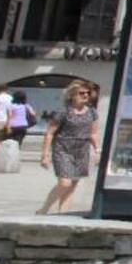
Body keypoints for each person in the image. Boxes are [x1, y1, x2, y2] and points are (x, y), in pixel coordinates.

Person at [38, 81, 101, 214]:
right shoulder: (63, 112)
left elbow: (93, 133)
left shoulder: (92, 112)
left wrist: (97, 150)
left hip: (82, 150)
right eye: (81, 93)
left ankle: (62, 214)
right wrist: (45, 155)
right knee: (64, 183)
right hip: (63, 149)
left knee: (72, 185)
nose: (85, 96)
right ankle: (44, 209)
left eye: (87, 93)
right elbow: (49, 133)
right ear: (72, 95)